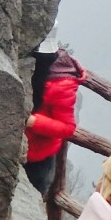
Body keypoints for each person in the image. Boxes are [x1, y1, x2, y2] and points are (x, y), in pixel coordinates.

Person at [24, 47, 85, 196]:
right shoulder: (31, 57)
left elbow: (68, 128)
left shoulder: (61, 83)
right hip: (21, 148)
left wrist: (33, 121)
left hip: (37, 160)